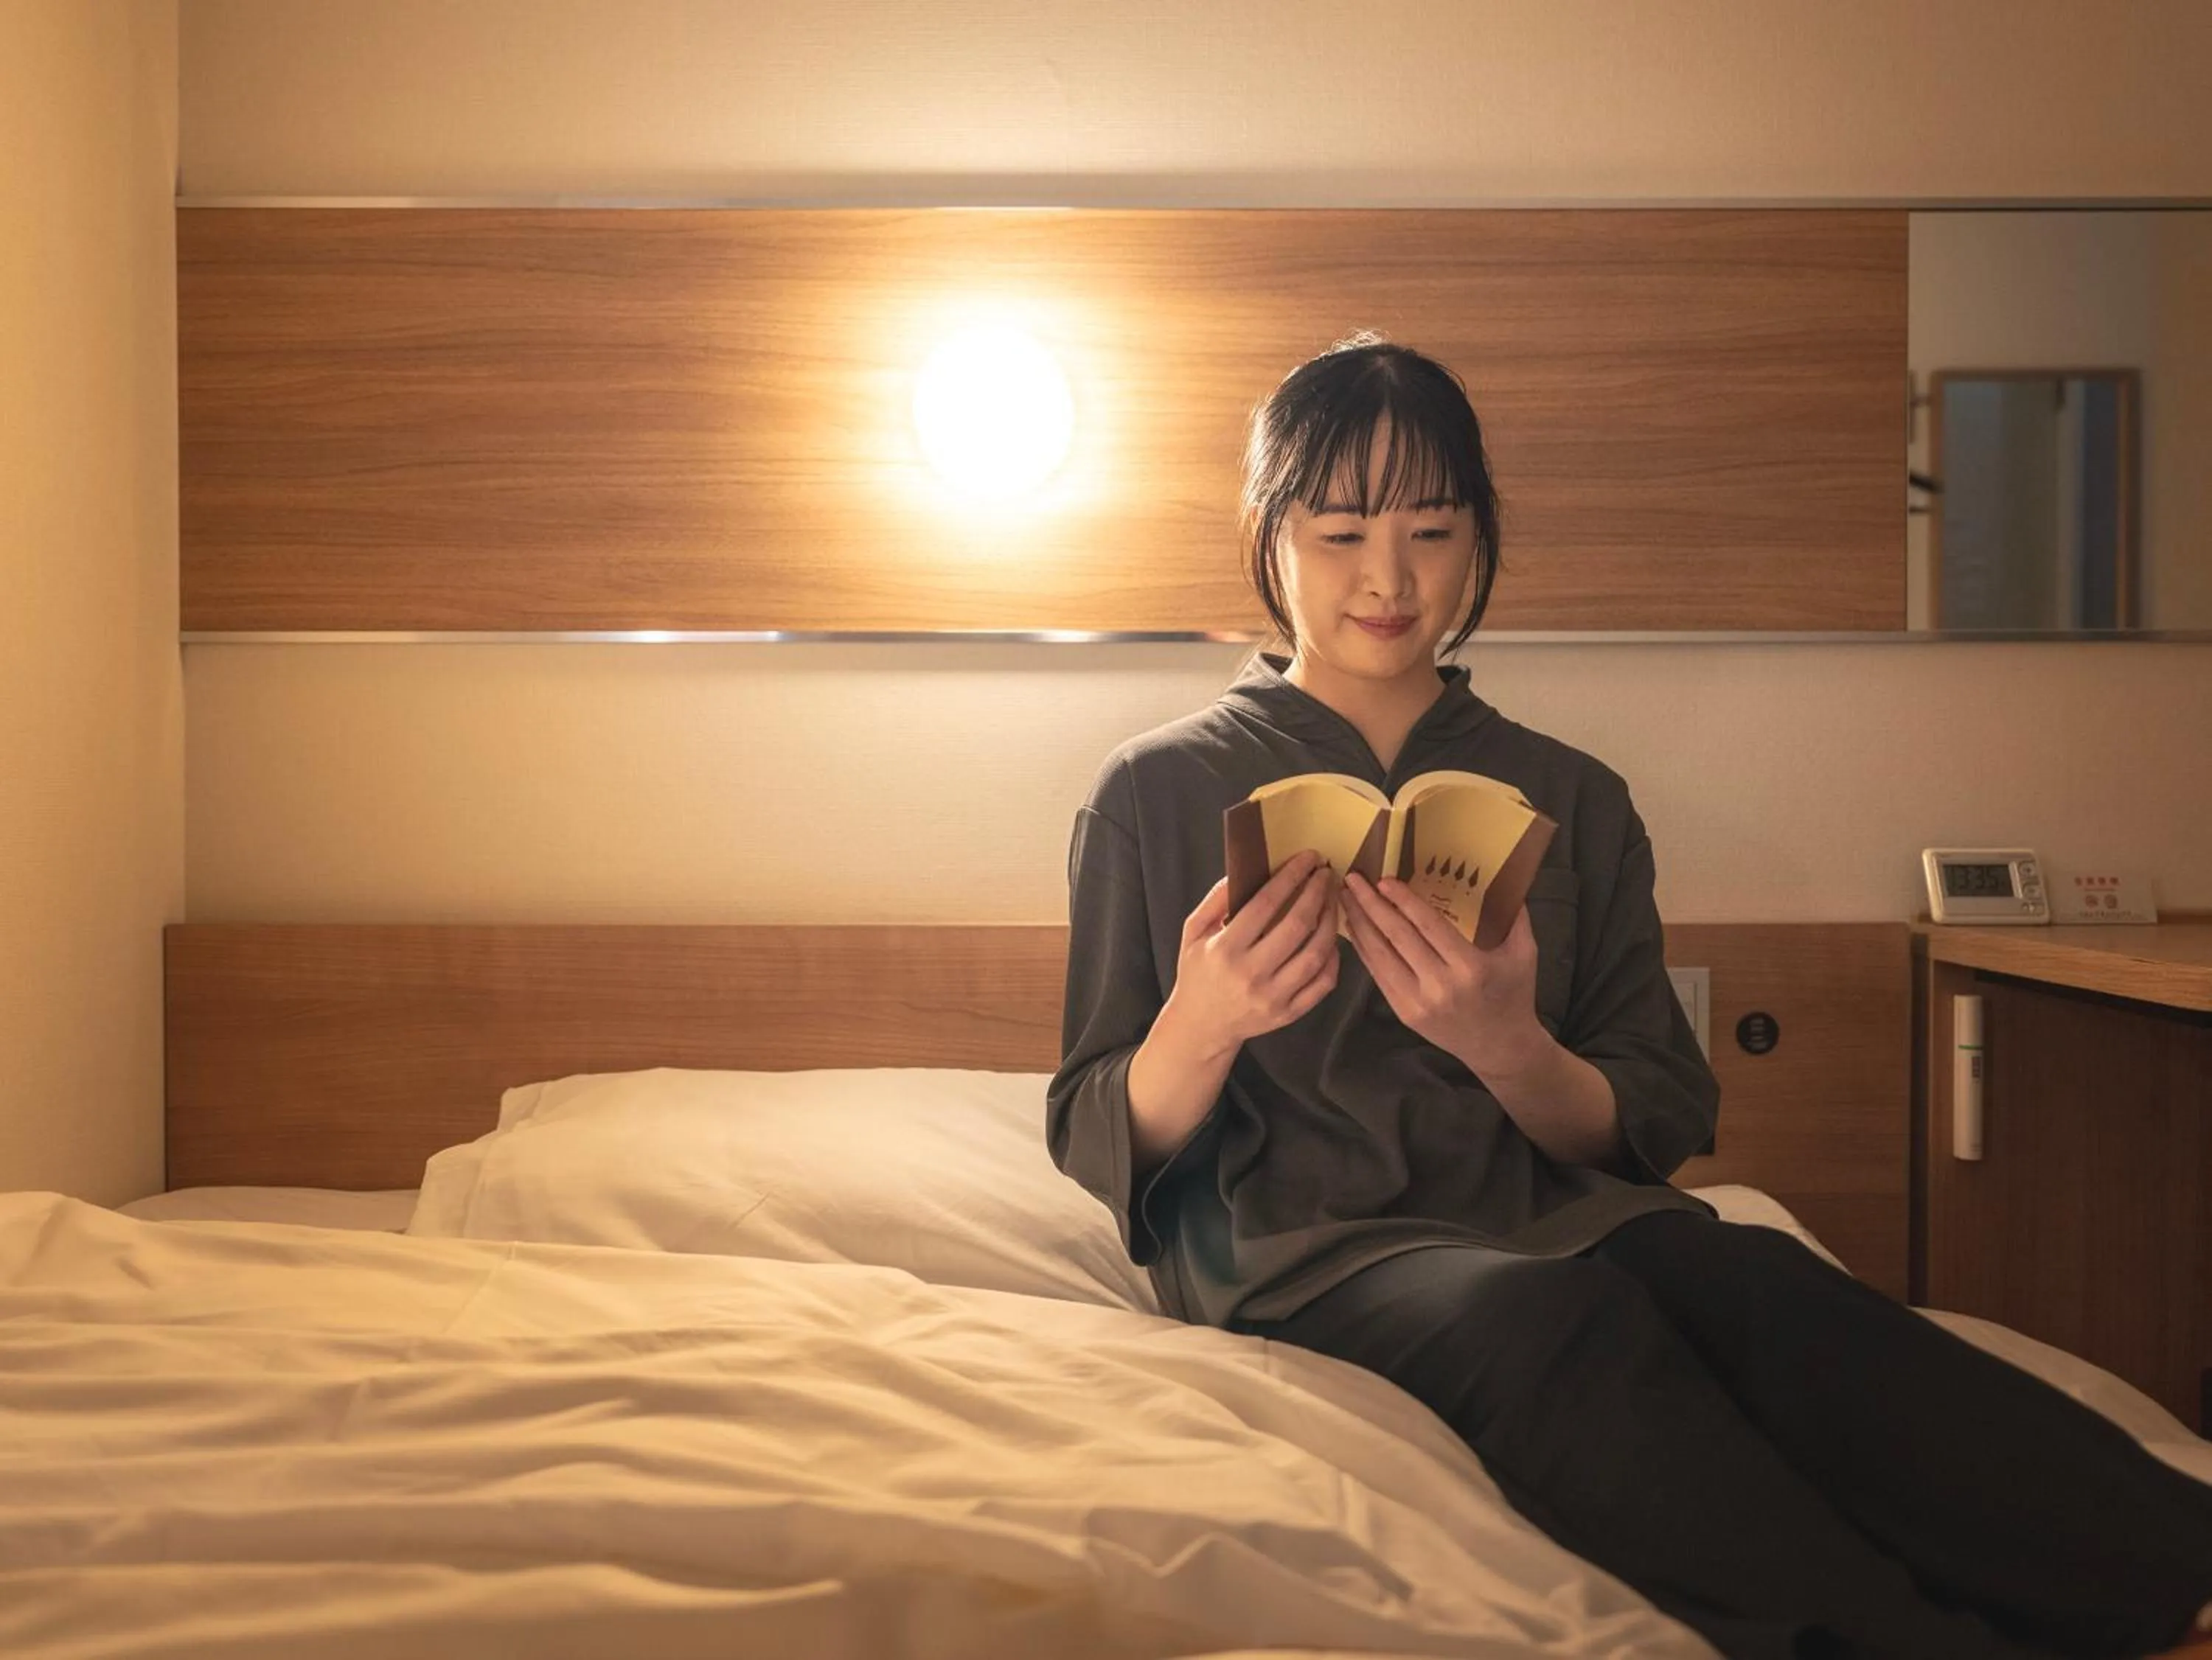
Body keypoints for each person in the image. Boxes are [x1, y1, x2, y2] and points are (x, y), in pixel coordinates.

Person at [1046, 331, 2212, 1660]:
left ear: (1480, 538)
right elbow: (1094, 1124)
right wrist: (1203, 1023)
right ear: (1271, 538)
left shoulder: (1572, 796)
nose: (1388, 578)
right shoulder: (1152, 791)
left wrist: (1506, 1045)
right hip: (1302, 1251)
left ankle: (2179, 1582)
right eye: (1341, 532)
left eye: (1431, 530)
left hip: (1565, 1213)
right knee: (1552, 1318)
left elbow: (1651, 1117)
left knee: (1757, 1279)